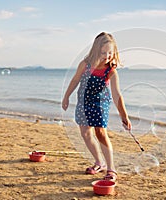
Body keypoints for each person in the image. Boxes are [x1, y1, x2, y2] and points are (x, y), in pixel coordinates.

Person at [62, 32, 131, 182]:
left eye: (110, 53)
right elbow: (75, 80)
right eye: (103, 53)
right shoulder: (85, 65)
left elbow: (117, 95)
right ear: (95, 51)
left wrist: (124, 116)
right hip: (83, 103)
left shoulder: (111, 71)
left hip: (100, 104)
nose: (107, 56)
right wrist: (66, 96)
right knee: (85, 133)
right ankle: (99, 162)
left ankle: (111, 169)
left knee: (100, 133)